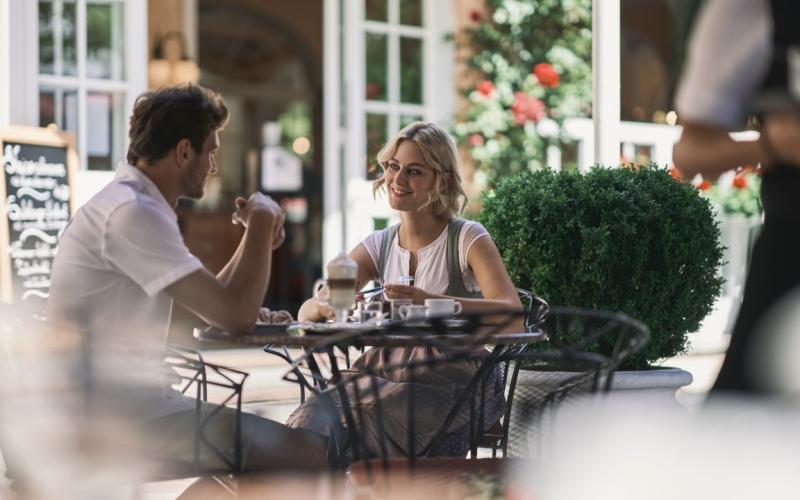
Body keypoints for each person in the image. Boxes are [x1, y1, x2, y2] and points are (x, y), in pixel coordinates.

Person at [46, 83, 326, 472]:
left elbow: (209, 306)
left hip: (122, 400)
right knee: (303, 454)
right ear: (183, 152)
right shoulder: (133, 213)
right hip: (109, 413)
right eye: (210, 151)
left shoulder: (137, 204)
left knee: (275, 453)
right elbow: (235, 315)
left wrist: (252, 237)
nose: (213, 166)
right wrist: (261, 219)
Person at [289, 121, 523, 458]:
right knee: (316, 416)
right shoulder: (378, 245)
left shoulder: (467, 238)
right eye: (393, 167)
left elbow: (512, 315)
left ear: (440, 179)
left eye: (414, 171)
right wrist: (325, 305)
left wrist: (432, 303)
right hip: (384, 366)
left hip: (452, 374)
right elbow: (307, 313)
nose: (397, 180)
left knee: (366, 418)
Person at [673, 0, 800, 395]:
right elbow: (690, 152)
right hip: (792, 259)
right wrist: (775, 145)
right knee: (750, 429)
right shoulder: (751, 9)